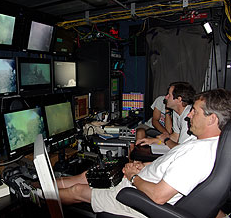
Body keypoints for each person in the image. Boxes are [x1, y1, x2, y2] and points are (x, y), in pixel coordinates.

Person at [57, 88, 231, 217]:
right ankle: (39, 185)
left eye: (195, 111)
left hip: (135, 197)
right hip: (140, 181)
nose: (189, 115)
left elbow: (158, 196)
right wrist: (144, 166)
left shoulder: (197, 155)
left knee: (77, 190)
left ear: (212, 119)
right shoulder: (208, 142)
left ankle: (34, 199)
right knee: (88, 175)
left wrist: (133, 177)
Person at [136, 82, 196, 149]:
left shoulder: (187, 117)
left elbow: (180, 148)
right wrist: (151, 141)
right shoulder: (176, 112)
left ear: (179, 99)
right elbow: (175, 137)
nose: (166, 97)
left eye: (169, 95)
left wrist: (165, 140)